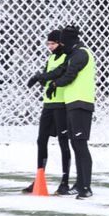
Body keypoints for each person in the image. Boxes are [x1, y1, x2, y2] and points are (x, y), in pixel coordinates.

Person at [45, 24, 96, 199]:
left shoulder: (82, 53)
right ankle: (79, 183)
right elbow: (62, 70)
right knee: (75, 144)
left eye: (63, 42)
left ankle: (86, 187)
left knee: (80, 145)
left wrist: (55, 84)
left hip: (81, 103)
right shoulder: (73, 54)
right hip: (71, 104)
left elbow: (69, 74)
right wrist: (44, 77)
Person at [24, 30, 73, 195]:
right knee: (41, 140)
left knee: (63, 143)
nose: (50, 47)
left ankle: (65, 181)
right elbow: (47, 75)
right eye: (48, 44)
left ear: (60, 43)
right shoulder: (51, 57)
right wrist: (41, 78)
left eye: (52, 44)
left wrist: (41, 77)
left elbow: (59, 72)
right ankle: (39, 177)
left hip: (61, 105)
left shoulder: (68, 57)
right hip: (48, 105)